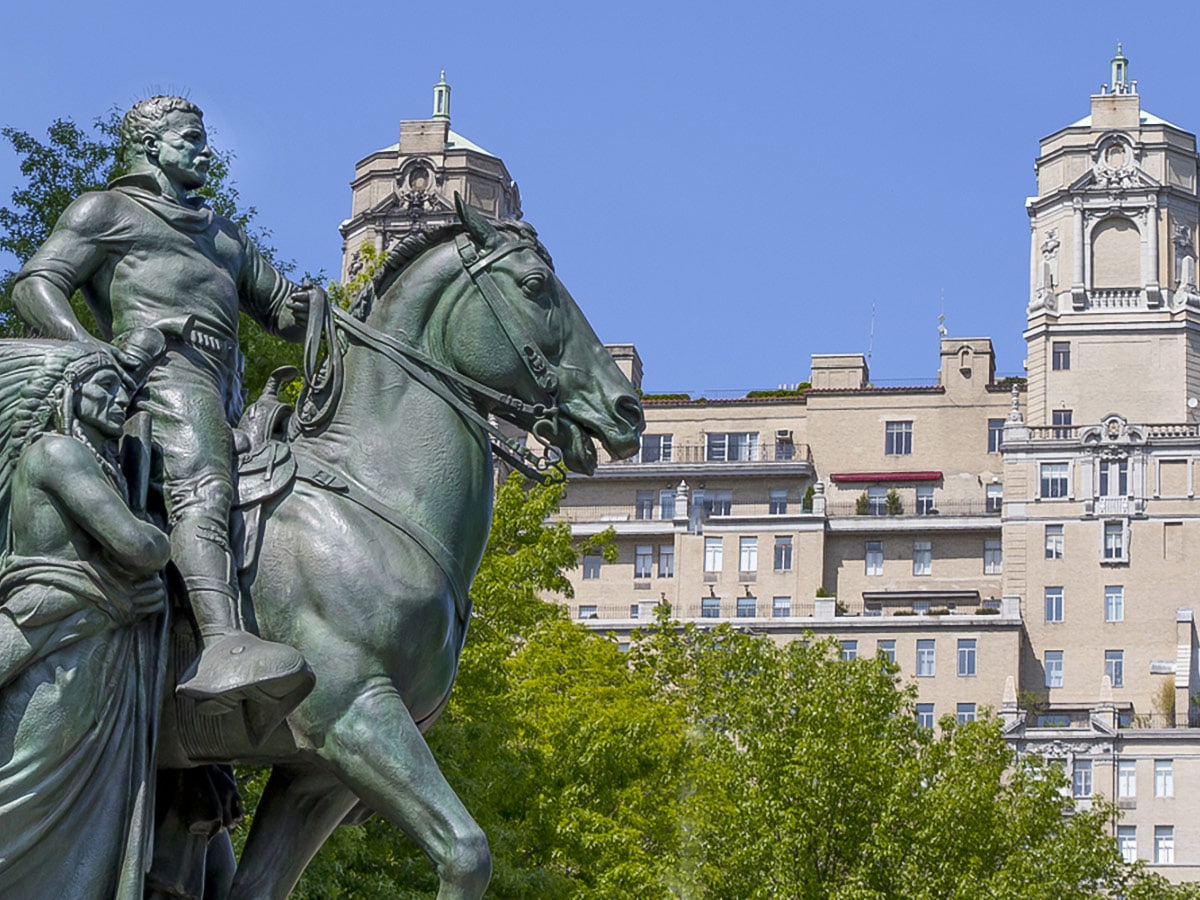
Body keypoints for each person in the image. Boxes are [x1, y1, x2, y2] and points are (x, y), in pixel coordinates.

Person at [12, 95, 317, 713]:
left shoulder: (224, 236)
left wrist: (326, 309)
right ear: (151, 144)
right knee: (203, 480)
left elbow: (281, 310)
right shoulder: (108, 209)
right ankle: (223, 641)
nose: (205, 151)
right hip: (160, 371)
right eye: (190, 138)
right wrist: (89, 350)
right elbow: (36, 283)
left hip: (228, 384)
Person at [0, 342, 170, 899]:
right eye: (103, 385)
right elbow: (137, 546)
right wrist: (172, 528)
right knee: (33, 799)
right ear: (68, 394)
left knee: (87, 824)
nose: (119, 396)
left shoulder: (103, 466)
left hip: (97, 648)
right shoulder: (57, 453)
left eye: (123, 388)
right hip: (56, 645)